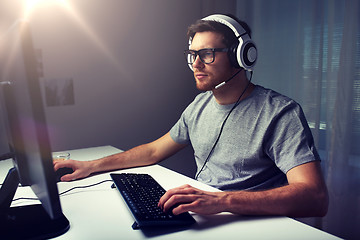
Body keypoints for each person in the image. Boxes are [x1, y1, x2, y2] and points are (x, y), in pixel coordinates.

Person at [54, 14, 328, 218]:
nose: (196, 64)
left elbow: (315, 197)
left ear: (241, 56)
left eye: (207, 54)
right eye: (192, 54)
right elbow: (152, 151)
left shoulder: (280, 112)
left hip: (248, 224)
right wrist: (91, 166)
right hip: (203, 215)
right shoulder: (199, 105)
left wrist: (222, 201)